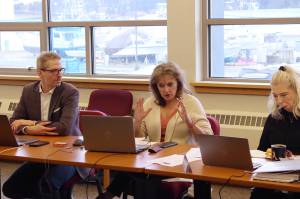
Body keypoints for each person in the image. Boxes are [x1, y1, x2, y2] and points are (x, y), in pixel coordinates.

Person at [98, 61, 213, 199]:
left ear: (178, 83)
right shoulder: (150, 103)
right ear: (155, 87)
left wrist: (189, 123)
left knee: (140, 176)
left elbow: (208, 137)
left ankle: (106, 196)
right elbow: (139, 139)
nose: (166, 90)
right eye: (161, 85)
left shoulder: (191, 103)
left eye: (170, 84)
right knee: (129, 168)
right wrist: (137, 122)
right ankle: (107, 196)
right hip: (153, 159)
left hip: (181, 162)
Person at [2, 51, 83, 199]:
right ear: (40, 73)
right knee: (10, 188)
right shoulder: (28, 91)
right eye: (53, 71)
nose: (59, 74)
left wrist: (30, 123)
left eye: (60, 70)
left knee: (45, 186)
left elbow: (64, 127)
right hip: (40, 153)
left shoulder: (70, 92)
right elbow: (14, 121)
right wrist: (27, 128)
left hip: (70, 155)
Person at [250, 65, 300, 199]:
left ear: (297, 91)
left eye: (284, 95)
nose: (279, 101)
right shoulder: (274, 118)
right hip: (276, 175)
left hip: (297, 179)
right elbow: (261, 150)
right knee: (258, 194)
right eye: (275, 96)